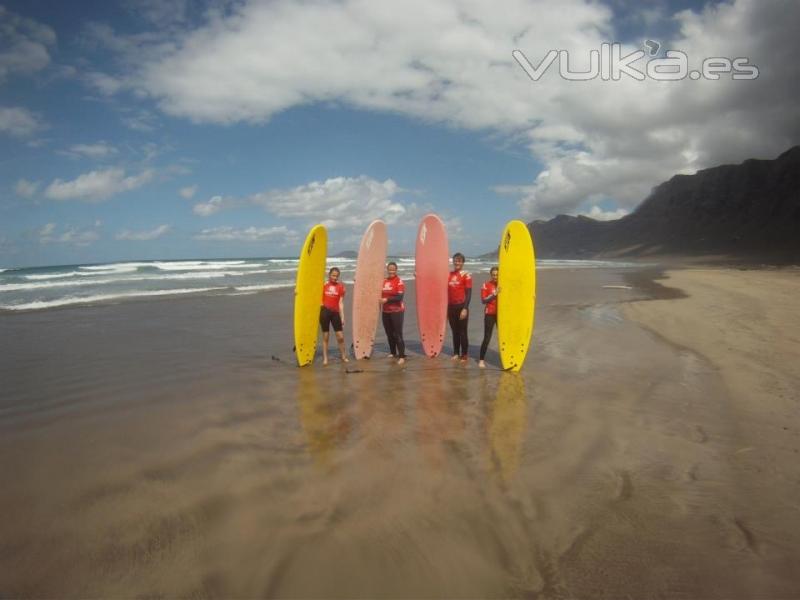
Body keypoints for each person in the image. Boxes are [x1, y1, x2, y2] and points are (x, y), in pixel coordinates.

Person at [320, 267, 349, 366]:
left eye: (337, 276)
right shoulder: (323, 285)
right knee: (325, 336)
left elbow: (341, 303)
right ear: (329, 275)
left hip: (335, 313)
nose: (335, 277)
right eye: (333, 275)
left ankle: (343, 356)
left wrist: (343, 316)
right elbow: (312, 293)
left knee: (340, 337)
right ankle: (325, 358)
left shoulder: (341, 287)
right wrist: (297, 291)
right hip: (324, 312)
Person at [447, 252, 472, 362]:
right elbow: (435, 280)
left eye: (459, 260)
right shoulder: (449, 274)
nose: (457, 262)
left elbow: (469, 293)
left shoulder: (466, 275)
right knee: (454, 331)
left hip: (461, 306)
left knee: (462, 331)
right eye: (455, 260)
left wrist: (465, 308)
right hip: (451, 307)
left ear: (462, 262)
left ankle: (464, 354)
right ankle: (456, 352)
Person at [380, 261, 406, 365]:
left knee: (397, 334)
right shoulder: (384, 281)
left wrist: (386, 300)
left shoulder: (399, 281)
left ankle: (402, 356)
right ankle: (393, 352)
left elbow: (399, 297)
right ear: (387, 269)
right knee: (389, 333)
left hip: (397, 311)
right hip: (385, 311)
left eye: (393, 269)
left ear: (396, 270)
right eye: (389, 269)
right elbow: (372, 287)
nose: (391, 271)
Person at [478, 266, 500, 368]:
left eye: (497, 275)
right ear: (491, 275)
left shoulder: (503, 285)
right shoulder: (486, 285)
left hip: (502, 315)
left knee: (504, 337)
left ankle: (507, 357)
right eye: (493, 275)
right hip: (490, 314)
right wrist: (495, 293)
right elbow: (483, 300)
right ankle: (481, 360)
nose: (495, 277)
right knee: (487, 337)